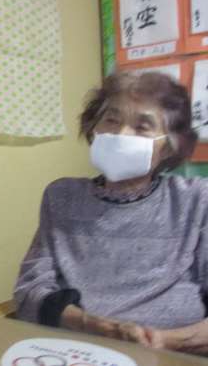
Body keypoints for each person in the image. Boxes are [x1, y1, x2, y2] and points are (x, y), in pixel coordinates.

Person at [13, 71, 208, 356]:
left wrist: (163, 342)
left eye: (142, 127)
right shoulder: (61, 196)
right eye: (112, 120)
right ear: (93, 127)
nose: (121, 134)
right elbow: (30, 290)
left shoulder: (195, 200)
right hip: (76, 350)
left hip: (173, 355)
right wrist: (93, 326)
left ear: (168, 147)